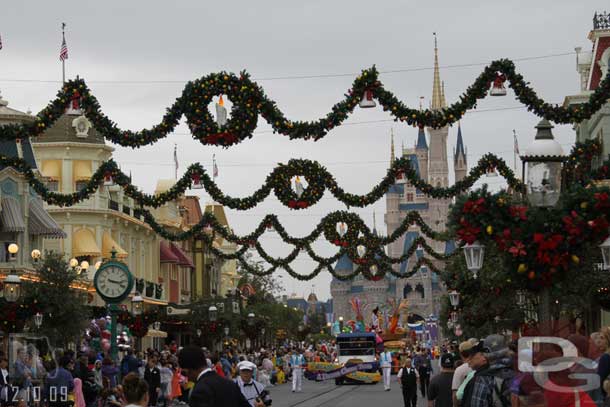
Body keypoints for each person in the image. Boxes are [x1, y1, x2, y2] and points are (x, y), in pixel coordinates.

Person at [178, 346, 249, 407]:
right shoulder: (230, 383)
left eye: (183, 373)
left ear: (188, 370)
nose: (187, 377)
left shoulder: (200, 391)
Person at [461, 334, 515, 407]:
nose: (469, 359)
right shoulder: (520, 372)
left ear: (485, 356)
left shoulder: (483, 380)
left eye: (481, 353)